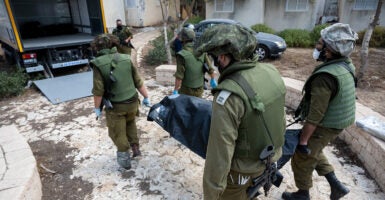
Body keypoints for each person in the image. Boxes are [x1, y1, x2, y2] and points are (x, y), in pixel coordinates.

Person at [195, 24, 286, 200]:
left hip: (240, 172)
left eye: (213, 58)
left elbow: (220, 154)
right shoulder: (271, 72)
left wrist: (212, 193)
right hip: (270, 159)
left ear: (222, 58)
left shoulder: (229, 95)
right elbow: (280, 120)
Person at [282, 23, 358, 200]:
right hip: (338, 122)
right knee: (314, 150)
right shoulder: (345, 65)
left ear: (329, 49)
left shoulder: (325, 77)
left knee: (303, 156)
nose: (316, 47)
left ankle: (302, 194)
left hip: (327, 124)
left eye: (319, 43)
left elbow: (316, 115)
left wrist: (303, 140)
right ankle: (336, 185)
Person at [91, 34, 151, 170]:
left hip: (116, 107)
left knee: (117, 132)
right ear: (113, 44)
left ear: (97, 47)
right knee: (130, 124)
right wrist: (146, 97)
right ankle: (136, 149)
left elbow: (98, 91)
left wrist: (97, 109)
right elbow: (138, 81)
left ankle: (125, 161)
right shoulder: (125, 58)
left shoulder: (98, 64)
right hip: (133, 103)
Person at [173, 27, 217, 97]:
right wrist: (212, 79)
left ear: (183, 39)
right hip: (199, 89)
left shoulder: (181, 55)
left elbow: (179, 76)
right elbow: (210, 68)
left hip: (186, 90)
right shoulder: (202, 51)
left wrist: (175, 90)